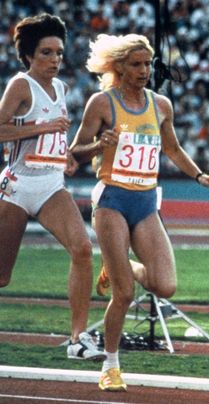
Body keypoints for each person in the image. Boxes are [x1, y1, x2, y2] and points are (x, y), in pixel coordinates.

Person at [69, 33, 209, 392]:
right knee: (122, 294)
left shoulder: (161, 105)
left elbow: (173, 148)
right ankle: (110, 365)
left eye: (147, 64)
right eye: (136, 64)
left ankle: (118, 263)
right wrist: (98, 144)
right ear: (119, 67)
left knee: (165, 284)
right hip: (112, 200)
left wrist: (199, 175)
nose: (144, 71)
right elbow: (75, 152)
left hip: (145, 202)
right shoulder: (102, 103)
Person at [0, 13, 104, 362]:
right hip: (16, 188)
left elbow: (53, 138)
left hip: (50, 186)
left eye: (59, 53)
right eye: (46, 53)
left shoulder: (60, 88)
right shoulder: (20, 85)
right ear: (29, 55)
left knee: (83, 249)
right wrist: (41, 129)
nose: (55, 60)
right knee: (2, 276)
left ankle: (77, 338)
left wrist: (66, 158)